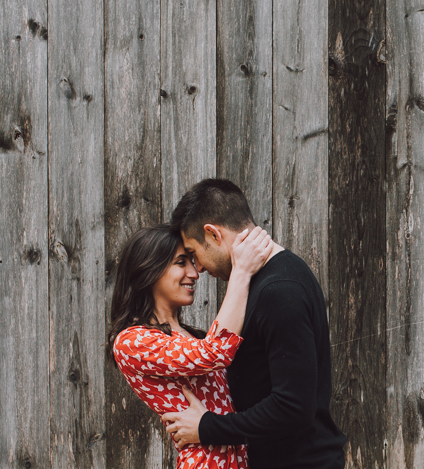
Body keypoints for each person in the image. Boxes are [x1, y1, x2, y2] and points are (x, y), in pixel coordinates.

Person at [162, 178, 347, 469]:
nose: (199, 270)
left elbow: (294, 407)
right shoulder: (267, 279)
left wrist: (207, 428)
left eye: (195, 255)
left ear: (212, 234)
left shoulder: (280, 289)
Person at [109, 223, 274, 469]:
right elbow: (215, 352)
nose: (195, 273)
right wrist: (241, 272)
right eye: (180, 262)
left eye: (191, 262)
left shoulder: (192, 337)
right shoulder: (131, 342)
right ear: (148, 270)